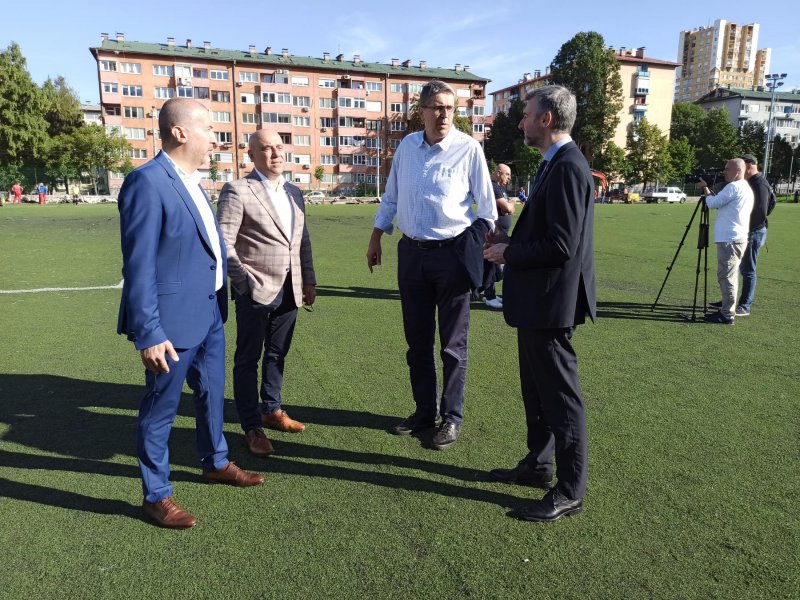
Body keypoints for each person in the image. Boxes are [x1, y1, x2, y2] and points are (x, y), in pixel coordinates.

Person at [117, 98, 263, 529]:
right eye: (208, 128)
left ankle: (216, 461)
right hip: (171, 324)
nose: (215, 137)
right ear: (180, 133)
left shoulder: (194, 181)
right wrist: (148, 332)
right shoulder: (147, 182)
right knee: (160, 409)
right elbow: (138, 264)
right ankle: (156, 494)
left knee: (211, 396)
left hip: (209, 314)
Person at [484, 85, 595, 522]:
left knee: (561, 398)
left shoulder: (568, 166)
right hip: (537, 301)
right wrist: (510, 241)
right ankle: (538, 464)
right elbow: (548, 235)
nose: (520, 122)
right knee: (537, 390)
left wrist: (509, 253)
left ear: (547, 119)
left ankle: (570, 490)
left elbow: (562, 245)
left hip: (551, 303)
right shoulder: (556, 163)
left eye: (526, 114)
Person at [366, 80, 497, 450]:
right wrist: (376, 237)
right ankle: (424, 411)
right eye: (436, 107)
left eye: (449, 108)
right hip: (411, 254)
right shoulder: (407, 147)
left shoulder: (469, 149)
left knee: (452, 345)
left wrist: (470, 250)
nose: (443, 114)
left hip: (451, 256)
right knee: (417, 342)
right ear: (420, 111)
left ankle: (451, 418)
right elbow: (391, 197)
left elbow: (487, 211)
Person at [216, 129, 316, 457]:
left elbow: (301, 240)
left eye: (278, 147)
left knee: (278, 353)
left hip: (291, 288)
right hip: (255, 289)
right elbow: (224, 243)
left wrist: (309, 281)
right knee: (247, 359)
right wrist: (244, 283)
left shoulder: (294, 192)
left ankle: (271, 410)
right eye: (266, 149)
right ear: (252, 156)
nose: (274, 153)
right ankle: (251, 427)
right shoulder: (237, 190)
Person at [698, 159, 753, 325]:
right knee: (730, 274)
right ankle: (727, 310)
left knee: (727, 276)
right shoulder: (745, 187)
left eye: (727, 169)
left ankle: (727, 314)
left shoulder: (734, 187)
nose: (724, 172)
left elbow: (713, 203)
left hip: (730, 239)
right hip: (736, 237)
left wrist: (706, 189)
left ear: (737, 171)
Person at [734, 154, 771, 316]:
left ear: (749, 166)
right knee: (737, 266)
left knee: (748, 269)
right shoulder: (751, 182)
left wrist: (746, 227)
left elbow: (761, 211)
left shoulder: (759, 183)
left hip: (753, 231)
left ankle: (745, 305)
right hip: (749, 229)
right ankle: (731, 299)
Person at [483, 163, 515, 309]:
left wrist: (509, 207)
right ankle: (488, 295)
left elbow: (508, 210)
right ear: (498, 173)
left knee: (495, 266)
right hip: (493, 232)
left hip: (499, 234)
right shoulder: (493, 187)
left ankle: (487, 293)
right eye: (507, 174)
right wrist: (511, 203)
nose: (509, 178)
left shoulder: (500, 188)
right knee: (492, 264)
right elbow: (508, 208)